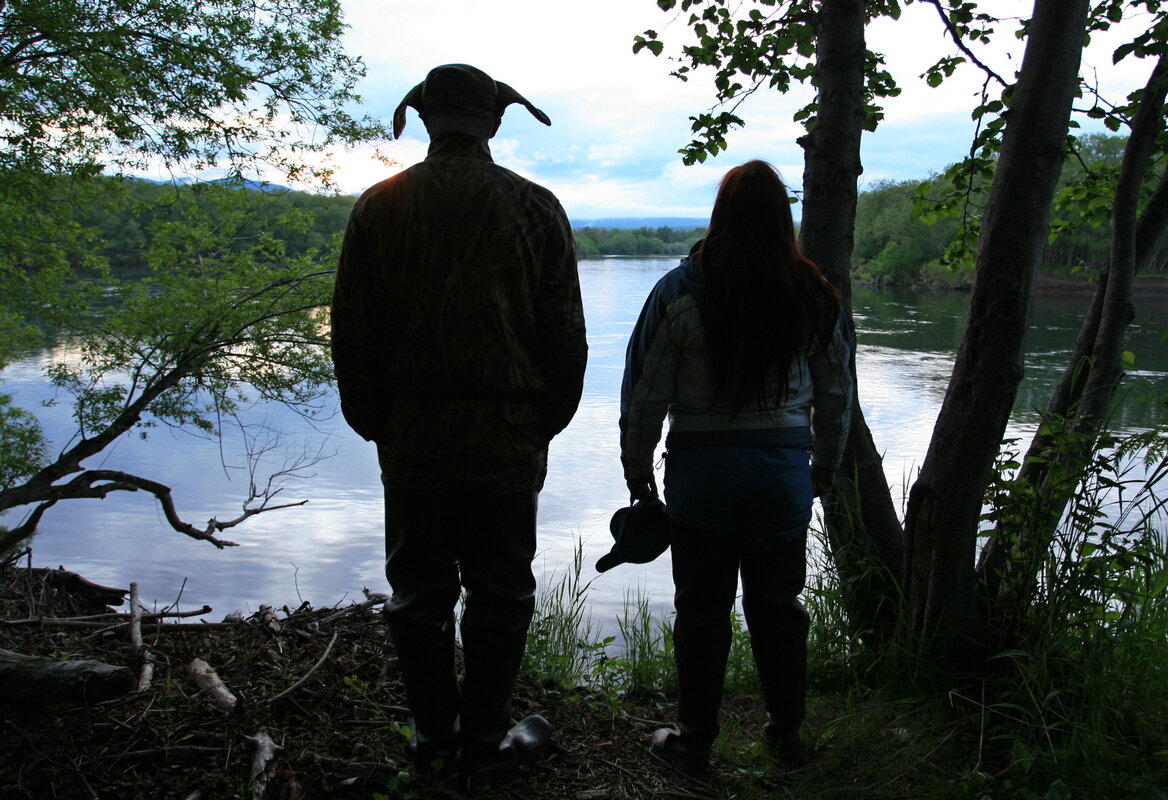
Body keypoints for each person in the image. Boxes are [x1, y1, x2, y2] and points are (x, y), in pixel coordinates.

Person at [330, 63, 587, 777]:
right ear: (495, 120)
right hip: (506, 429)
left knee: (419, 591)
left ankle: (430, 740)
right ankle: (483, 742)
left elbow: (351, 329)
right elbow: (565, 334)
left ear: (422, 116)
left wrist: (376, 420)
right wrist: (543, 421)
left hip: (412, 430)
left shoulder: (379, 206)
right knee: (502, 588)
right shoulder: (536, 208)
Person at [619, 159, 853, 776]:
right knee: (777, 606)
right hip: (782, 475)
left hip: (702, 475)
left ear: (719, 214)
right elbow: (836, 394)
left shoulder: (680, 290)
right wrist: (824, 464)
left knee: (701, 606)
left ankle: (694, 741)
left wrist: (638, 472)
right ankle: (787, 738)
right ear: (784, 219)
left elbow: (644, 394)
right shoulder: (815, 294)